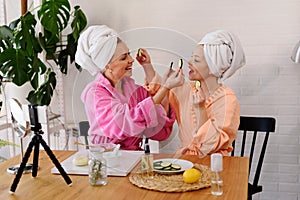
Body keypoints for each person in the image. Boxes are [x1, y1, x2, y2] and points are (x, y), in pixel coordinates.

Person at [75, 25, 184, 150]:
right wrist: (164, 88)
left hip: (134, 157)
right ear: (107, 66)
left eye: (129, 54)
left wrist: (148, 68)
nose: (131, 59)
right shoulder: (95, 93)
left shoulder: (132, 89)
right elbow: (123, 124)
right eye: (123, 57)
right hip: (107, 160)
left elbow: (157, 121)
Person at [143, 30, 246, 157]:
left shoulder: (227, 99)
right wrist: (147, 65)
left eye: (196, 60)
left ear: (213, 68)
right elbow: (158, 90)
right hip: (184, 161)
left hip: (214, 165)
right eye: (192, 57)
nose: (189, 62)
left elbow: (210, 146)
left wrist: (200, 109)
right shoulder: (186, 89)